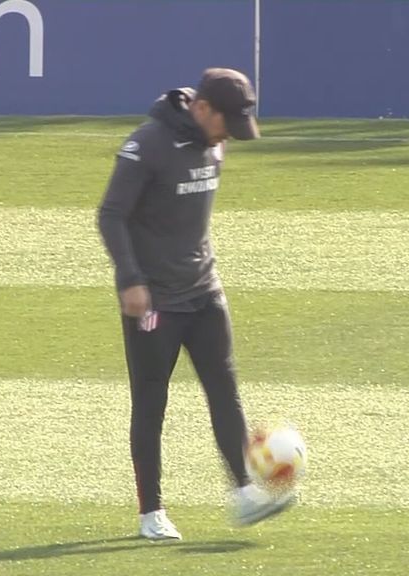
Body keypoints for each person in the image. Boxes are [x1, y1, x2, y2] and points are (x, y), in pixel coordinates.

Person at [97, 68, 295, 541]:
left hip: (205, 290)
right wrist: (130, 280)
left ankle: (244, 493)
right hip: (153, 301)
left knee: (224, 388)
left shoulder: (215, 141)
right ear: (202, 108)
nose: (229, 135)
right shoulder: (147, 145)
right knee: (151, 404)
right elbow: (111, 214)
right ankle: (151, 514)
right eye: (227, 122)